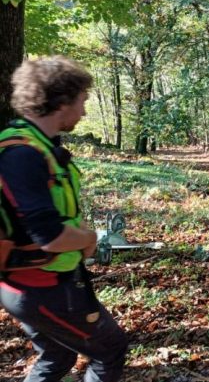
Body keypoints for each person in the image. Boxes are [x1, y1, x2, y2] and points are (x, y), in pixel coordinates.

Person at [0, 57, 128, 382]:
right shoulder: (23, 155)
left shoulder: (38, 145)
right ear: (62, 101)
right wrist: (89, 238)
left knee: (57, 355)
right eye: (82, 101)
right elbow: (50, 235)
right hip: (39, 287)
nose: (84, 111)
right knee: (110, 349)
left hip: (36, 283)